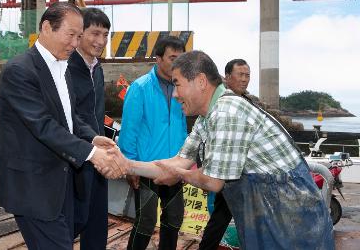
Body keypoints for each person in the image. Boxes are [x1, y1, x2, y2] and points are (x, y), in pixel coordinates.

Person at [109, 50, 334, 249]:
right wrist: (126, 164)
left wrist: (178, 174)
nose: (175, 94)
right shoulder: (207, 116)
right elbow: (179, 161)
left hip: (289, 213)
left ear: (200, 81)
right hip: (263, 208)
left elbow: (212, 181)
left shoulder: (227, 112)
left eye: (177, 84)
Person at [0, 2, 125, 250]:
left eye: (78, 36)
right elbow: (44, 125)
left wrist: (92, 138)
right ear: (46, 27)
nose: (76, 43)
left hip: (60, 182)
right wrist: (92, 154)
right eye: (71, 35)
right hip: (32, 186)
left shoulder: (62, 68)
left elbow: (69, 116)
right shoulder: (19, 71)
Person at [118, 36, 187, 250]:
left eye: (181, 59)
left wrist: (184, 163)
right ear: (158, 58)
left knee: (174, 218)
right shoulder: (139, 87)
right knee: (146, 221)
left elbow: (183, 128)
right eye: (172, 58)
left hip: (174, 166)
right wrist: (130, 166)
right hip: (148, 168)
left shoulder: (182, 88)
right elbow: (129, 130)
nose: (177, 64)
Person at [68, 8, 110, 250]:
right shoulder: (66, 67)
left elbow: (97, 113)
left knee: (96, 220)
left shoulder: (98, 68)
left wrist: (102, 140)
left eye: (105, 35)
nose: (101, 41)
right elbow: (68, 115)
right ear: (80, 34)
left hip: (98, 152)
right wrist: (91, 138)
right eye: (95, 33)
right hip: (76, 153)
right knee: (75, 218)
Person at [199, 58, 250, 250]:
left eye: (247, 76)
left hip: (243, 176)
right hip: (221, 174)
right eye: (240, 75)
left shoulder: (248, 102)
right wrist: (204, 172)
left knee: (226, 221)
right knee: (218, 219)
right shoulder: (215, 105)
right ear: (227, 77)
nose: (245, 80)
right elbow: (202, 139)